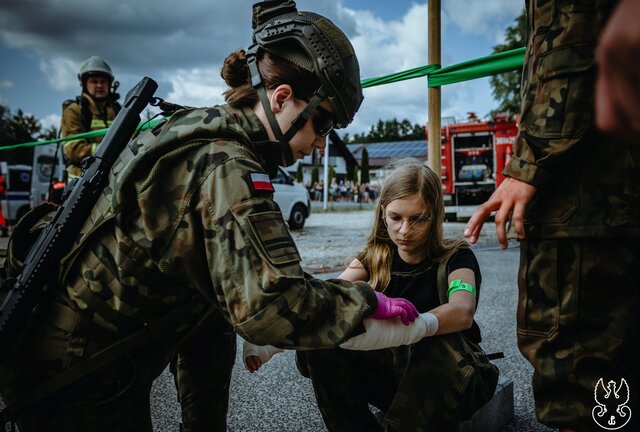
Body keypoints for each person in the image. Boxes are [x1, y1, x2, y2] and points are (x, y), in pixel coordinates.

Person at [0, 2, 421, 431]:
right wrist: (369, 301)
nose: (320, 145)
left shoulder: (199, 129)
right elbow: (276, 308)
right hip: (77, 381)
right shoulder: (227, 166)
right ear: (281, 99)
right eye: (324, 124)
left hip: (84, 362)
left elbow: (209, 315)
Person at [464, 1, 639, 431]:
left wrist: (527, 165)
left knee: (581, 375)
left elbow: (569, 53)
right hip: (614, 194)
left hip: (585, 200)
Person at [246, 159, 495, 431]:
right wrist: (268, 341)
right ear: (383, 214)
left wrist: (416, 327)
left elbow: (462, 310)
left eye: (417, 219)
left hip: (451, 380)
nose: (404, 230)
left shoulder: (456, 258)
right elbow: (322, 303)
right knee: (328, 335)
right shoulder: (374, 259)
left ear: (434, 215)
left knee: (432, 342)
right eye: (396, 218)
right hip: (393, 378)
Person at [60, 55, 121, 180]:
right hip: (81, 179)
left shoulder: (117, 111)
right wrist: (107, 149)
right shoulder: (74, 110)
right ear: (84, 84)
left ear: (110, 84)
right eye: (94, 81)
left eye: (103, 81)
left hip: (111, 174)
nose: (99, 85)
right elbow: (73, 149)